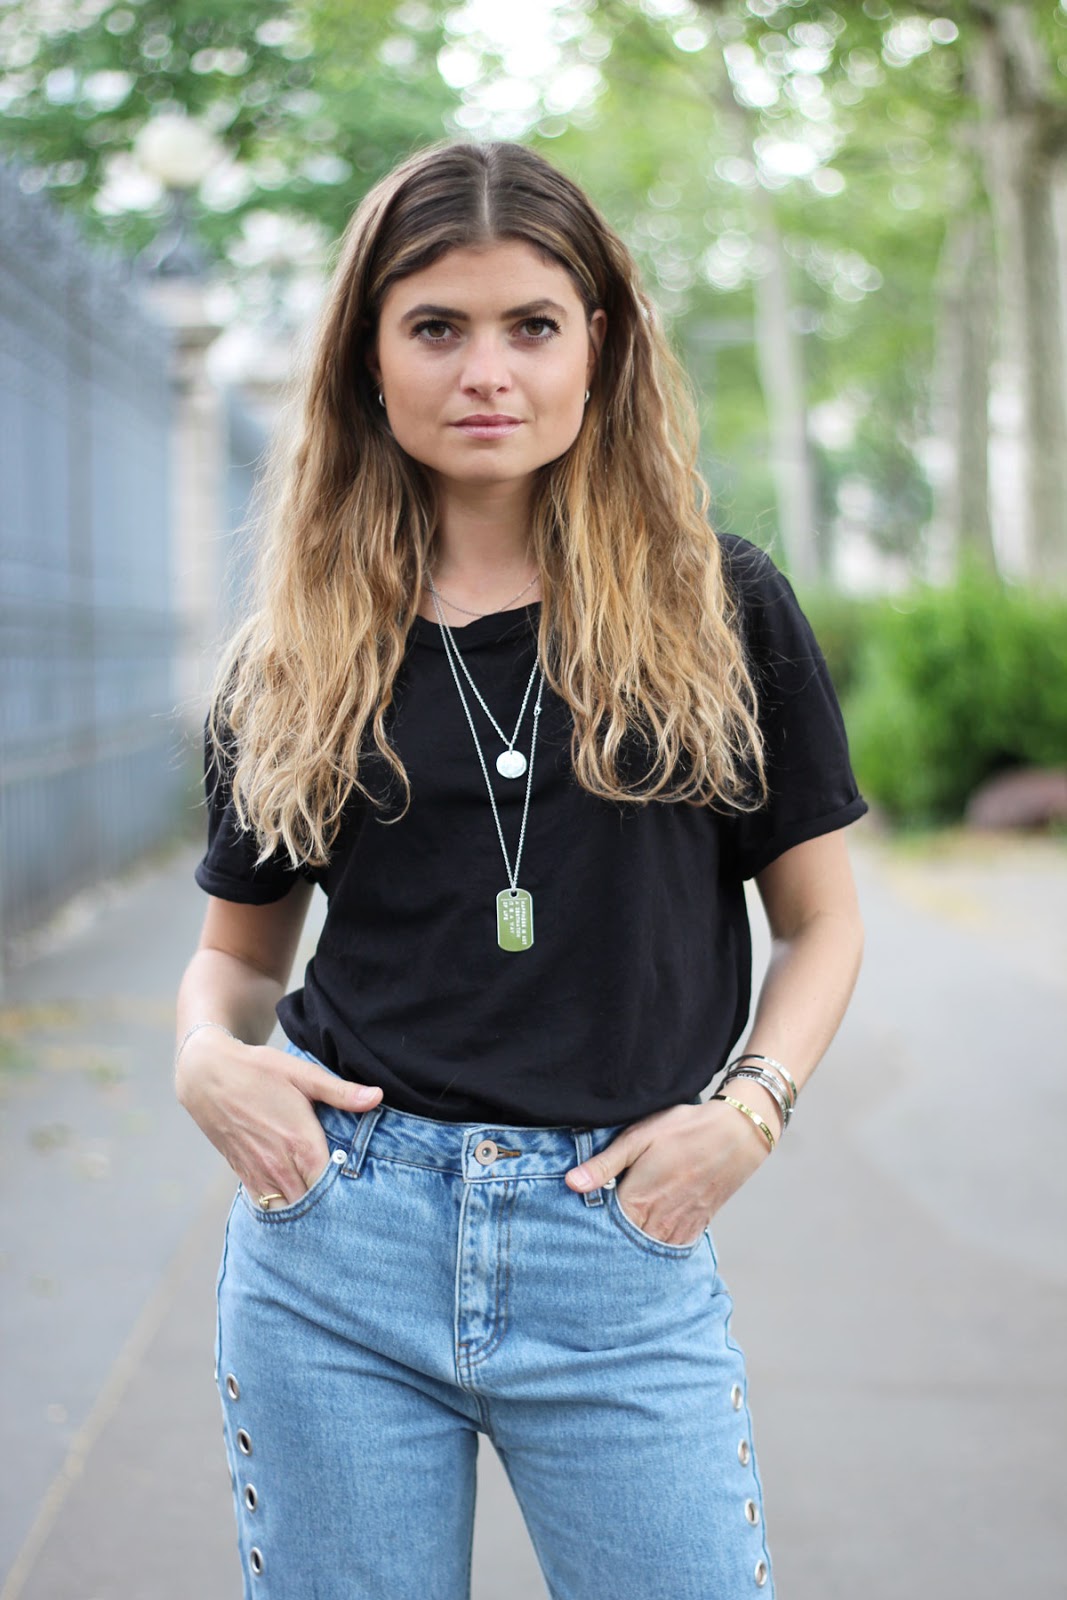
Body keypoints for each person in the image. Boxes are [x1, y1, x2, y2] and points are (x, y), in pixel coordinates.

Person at [174, 139, 866, 1600]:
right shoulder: (297, 652)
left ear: (596, 347)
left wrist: (749, 1114)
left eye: (531, 326)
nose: (486, 371)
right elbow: (238, 956)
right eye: (436, 327)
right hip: (338, 1246)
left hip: (615, 1244)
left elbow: (822, 925)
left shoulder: (717, 609)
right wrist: (204, 1059)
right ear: (368, 358)